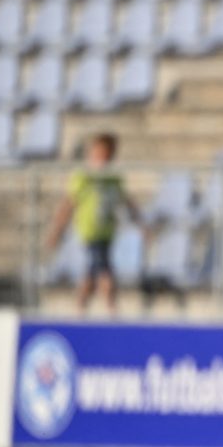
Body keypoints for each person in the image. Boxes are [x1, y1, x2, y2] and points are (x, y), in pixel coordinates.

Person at [45, 132, 145, 315]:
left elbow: (127, 201)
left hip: (106, 232)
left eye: (107, 154)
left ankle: (80, 307)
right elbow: (69, 203)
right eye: (98, 153)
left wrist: (140, 223)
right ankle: (111, 308)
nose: (101, 158)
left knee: (91, 273)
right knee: (105, 270)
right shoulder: (83, 177)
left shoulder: (112, 178)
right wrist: (57, 230)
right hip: (89, 232)